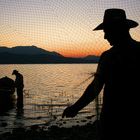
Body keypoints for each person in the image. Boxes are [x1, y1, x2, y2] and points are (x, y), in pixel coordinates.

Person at [62, 8, 140, 140]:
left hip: (112, 123)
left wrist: (75, 108)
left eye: (107, 32)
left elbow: (95, 88)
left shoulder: (108, 57)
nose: (105, 36)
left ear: (117, 29)